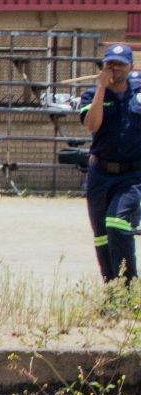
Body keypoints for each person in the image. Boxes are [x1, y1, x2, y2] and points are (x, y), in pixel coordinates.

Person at [79, 43, 141, 283]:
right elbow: (91, 125)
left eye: (119, 64)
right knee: (102, 235)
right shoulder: (91, 95)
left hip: (132, 176)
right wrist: (100, 89)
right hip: (100, 173)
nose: (113, 68)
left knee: (117, 224)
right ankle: (111, 285)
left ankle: (128, 284)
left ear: (130, 67)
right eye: (109, 63)